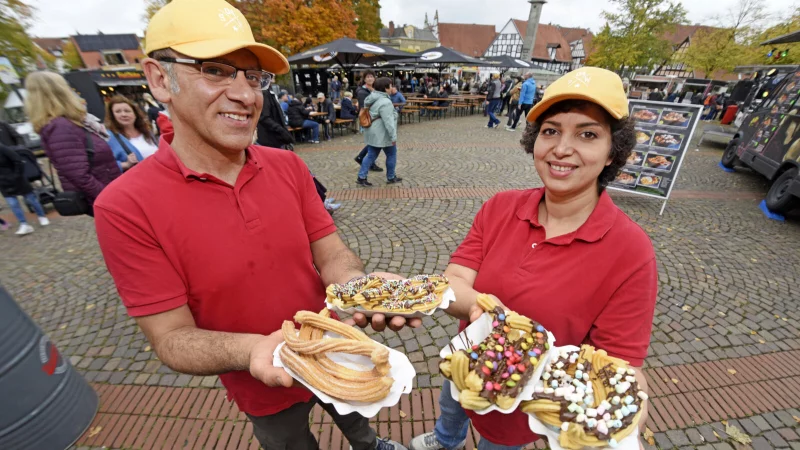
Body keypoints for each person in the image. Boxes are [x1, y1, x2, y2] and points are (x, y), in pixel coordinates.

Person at [93, 2, 411, 450]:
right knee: (289, 442)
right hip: (261, 382)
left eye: (253, 76)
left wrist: (358, 287)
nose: (247, 95)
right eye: (217, 70)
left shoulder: (288, 167)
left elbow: (331, 253)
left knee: (357, 421)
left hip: (334, 347)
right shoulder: (124, 206)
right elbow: (171, 339)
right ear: (161, 78)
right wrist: (253, 350)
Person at [409, 66, 655, 450]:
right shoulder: (500, 207)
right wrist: (415, 293)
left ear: (612, 153)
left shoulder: (631, 250)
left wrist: (622, 427)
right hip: (463, 364)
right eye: (551, 130)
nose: (561, 148)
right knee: (451, 408)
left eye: (587, 134)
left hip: (521, 409)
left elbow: (620, 365)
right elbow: (455, 280)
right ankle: (446, 440)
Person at [25, 71, 120, 215]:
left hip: (108, 193)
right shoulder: (60, 127)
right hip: (107, 199)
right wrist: (111, 198)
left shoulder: (69, 123)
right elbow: (79, 175)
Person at [356, 78, 401, 187]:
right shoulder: (385, 102)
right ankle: (391, 177)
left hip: (372, 131)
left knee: (371, 155)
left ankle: (361, 177)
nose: (392, 88)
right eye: (390, 86)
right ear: (385, 88)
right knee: (391, 154)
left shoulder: (371, 97)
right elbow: (389, 122)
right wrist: (393, 137)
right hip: (382, 133)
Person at [0, 144, 49, 235]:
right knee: (13, 204)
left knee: (31, 199)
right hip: (3, 183)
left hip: (17, 179)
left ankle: (41, 216)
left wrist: (17, 175)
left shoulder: (3, 149)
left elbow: (17, 160)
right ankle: (24, 224)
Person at [105, 95, 158, 172]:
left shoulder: (146, 131)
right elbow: (105, 165)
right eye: (118, 111)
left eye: (127, 111)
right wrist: (125, 164)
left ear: (135, 114)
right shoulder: (110, 137)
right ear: (112, 116)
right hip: (139, 180)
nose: (123, 114)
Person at [354, 70, 383, 172]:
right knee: (374, 142)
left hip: (375, 118)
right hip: (369, 119)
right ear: (364, 79)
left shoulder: (374, 89)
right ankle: (368, 162)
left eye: (372, 76)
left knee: (373, 142)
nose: (370, 78)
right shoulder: (362, 91)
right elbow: (364, 108)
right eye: (368, 77)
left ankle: (361, 157)